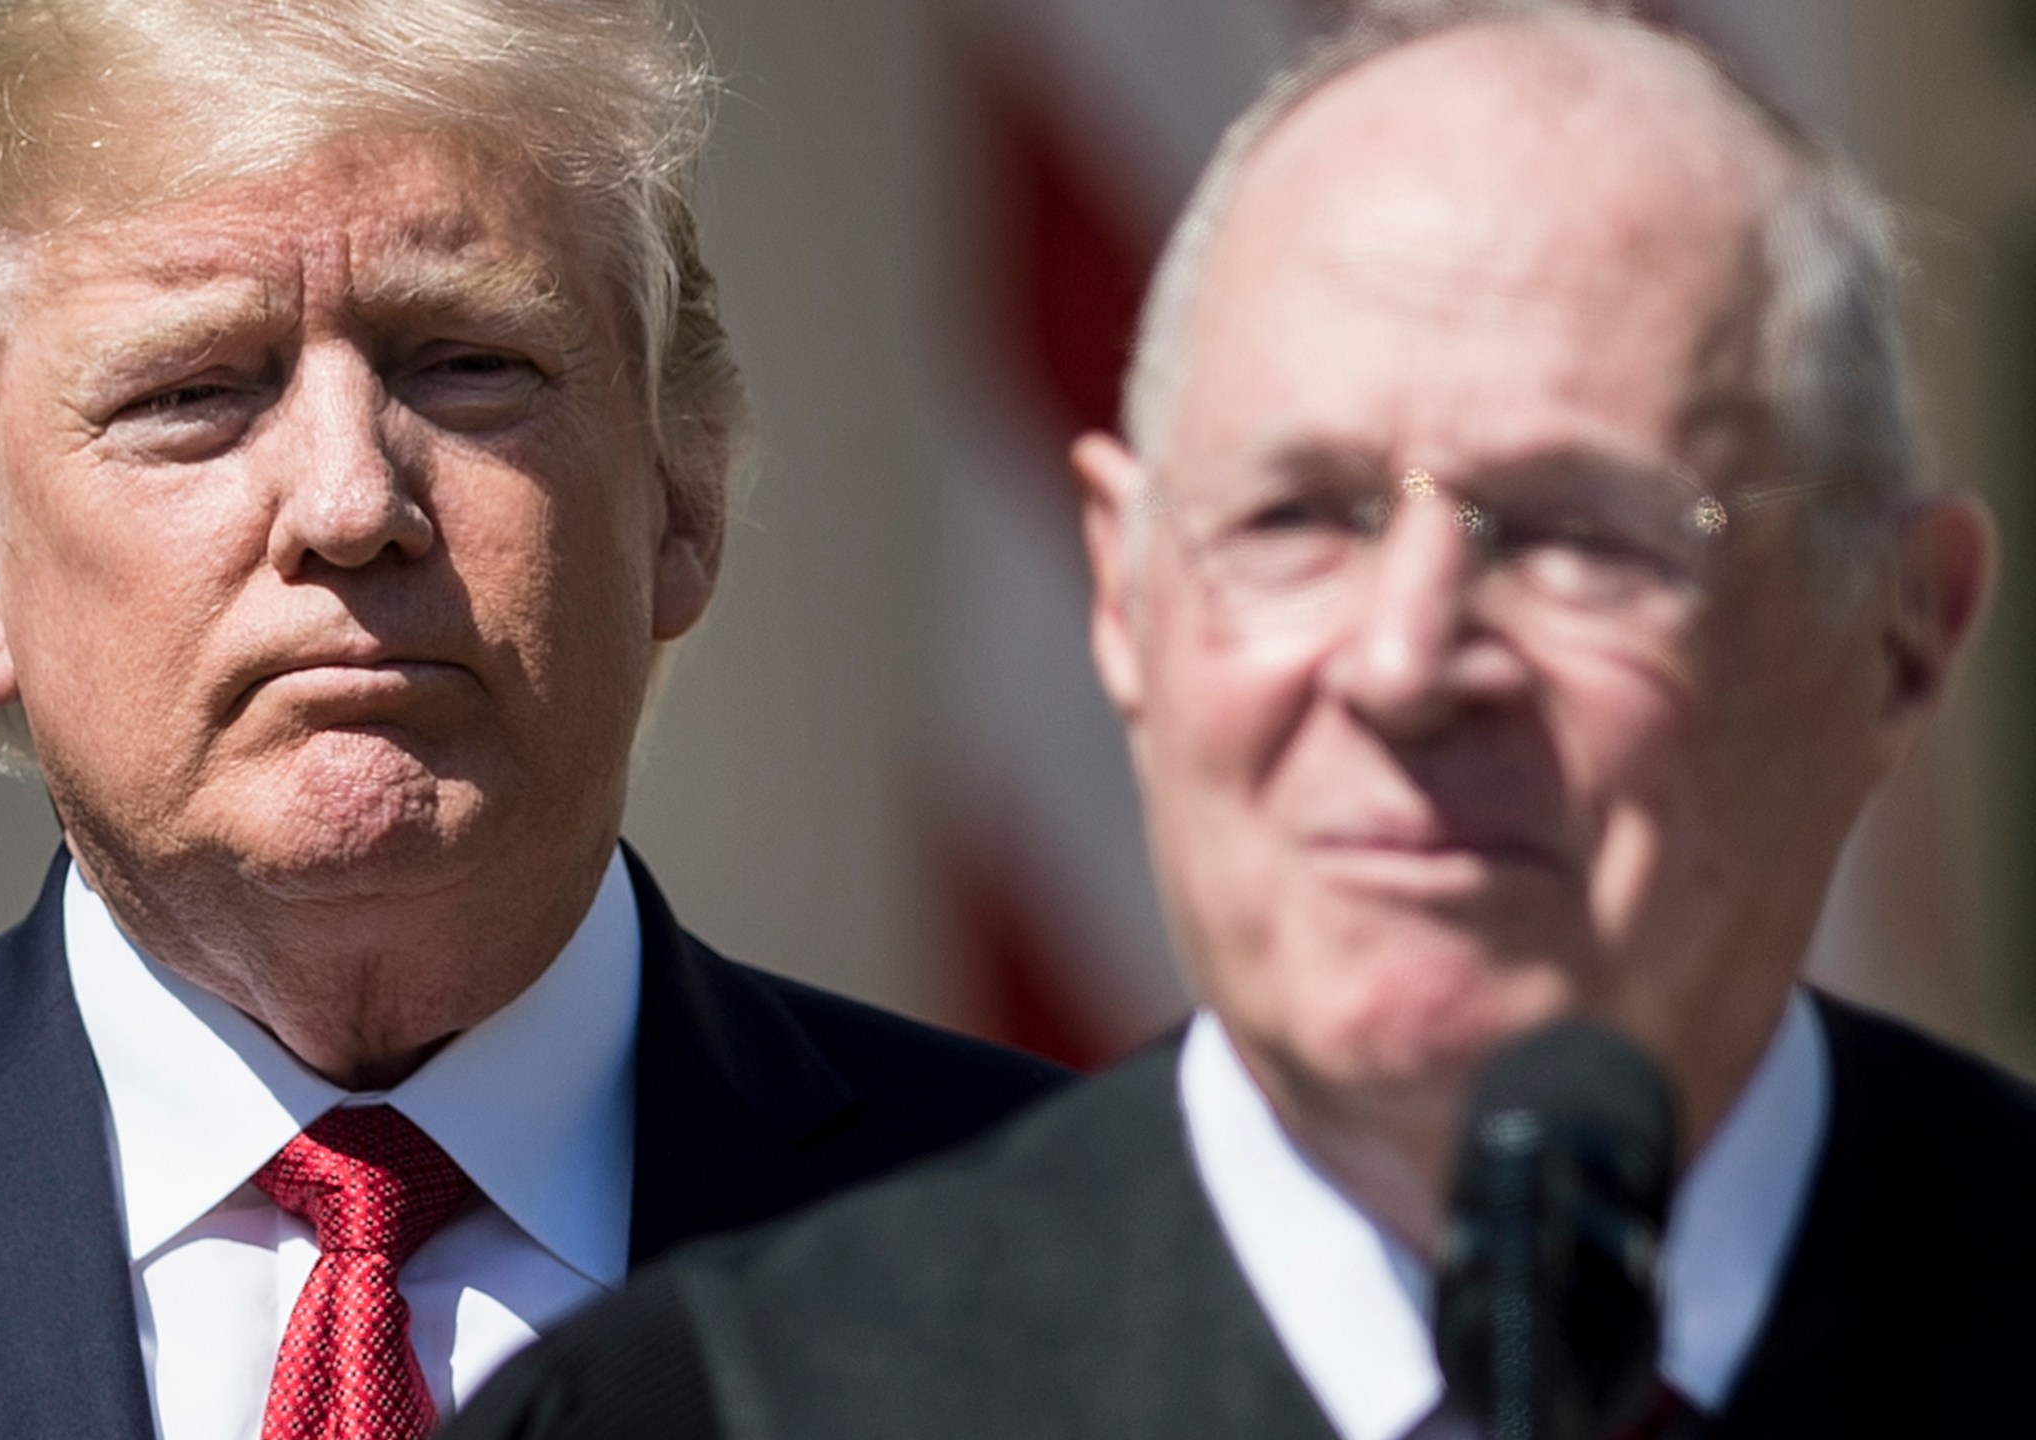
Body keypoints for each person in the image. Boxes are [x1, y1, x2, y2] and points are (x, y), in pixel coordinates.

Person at [0, 2, 1065, 1436]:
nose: (352, 498)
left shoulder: (1098, 1261)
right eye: (195, 391)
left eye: (467, 363)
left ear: (684, 501)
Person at [446, 5, 2036, 1437]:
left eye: (1576, 528)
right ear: (1126, 599)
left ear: (1897, 636)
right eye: (1298, 517)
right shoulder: (713, 1415)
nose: (1407, 659)